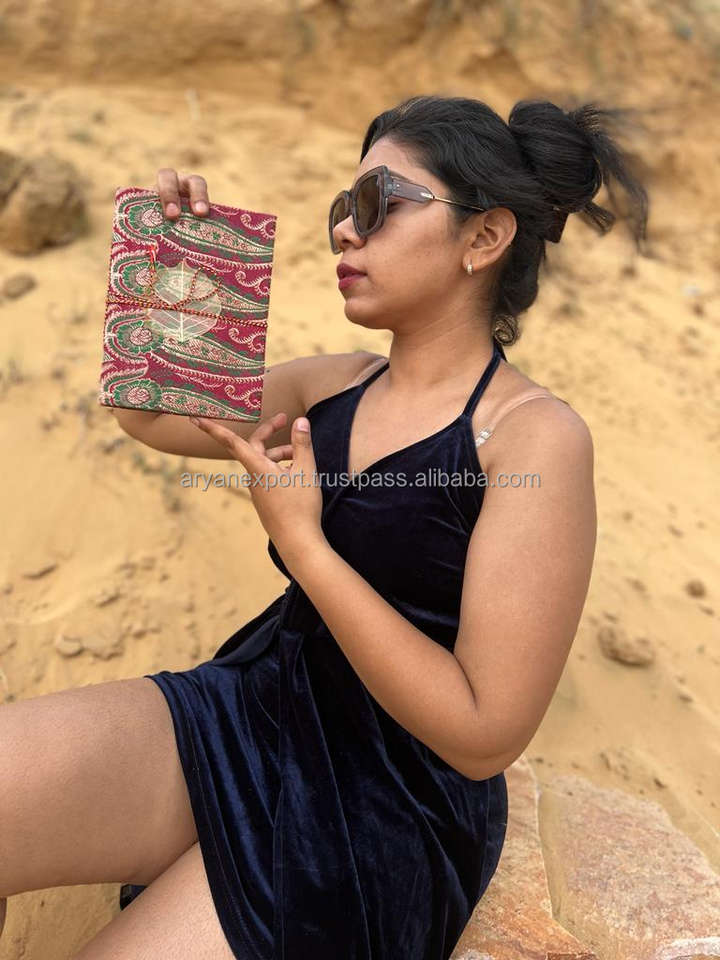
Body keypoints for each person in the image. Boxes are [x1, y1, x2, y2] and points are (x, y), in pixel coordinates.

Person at [0, 94, 647, 959]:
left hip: (380, 806)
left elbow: (484, 732)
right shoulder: (333, 386)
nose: (345, 230)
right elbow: (147, 413)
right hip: (251, 709)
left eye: (377, 204)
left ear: (484, 237)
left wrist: (305, 545)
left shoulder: (535, 439)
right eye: (345, 207)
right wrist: (183, 259)